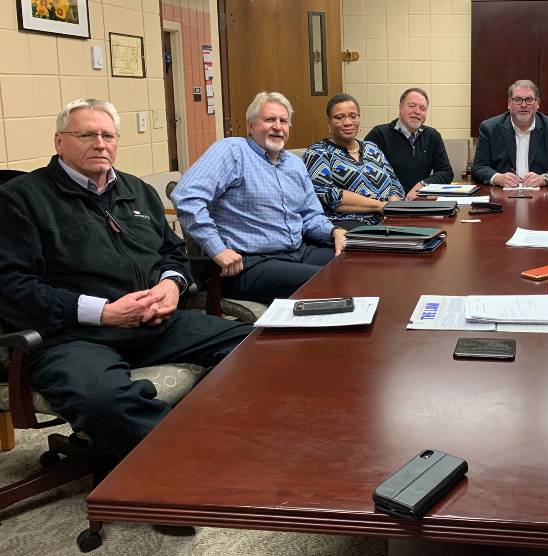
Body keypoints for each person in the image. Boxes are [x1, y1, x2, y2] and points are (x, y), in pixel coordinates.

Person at [0, 99, 252, 459]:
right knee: (104, 399)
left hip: (157, 324)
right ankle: (182, 469)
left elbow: (174, 253)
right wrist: (104, 313)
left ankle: (205, 440)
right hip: (73, 337)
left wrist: (171, 285)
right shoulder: (20, 200)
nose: (99, 143)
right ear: (59, 141)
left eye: (107, 135)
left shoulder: (137, 191)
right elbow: (13, 289)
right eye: (85, 134)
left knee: (257, 347)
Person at [172, 92, 345, 303]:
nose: (278, 126)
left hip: (297, 252)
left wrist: (333, 232)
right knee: (329, 280)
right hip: (248, 264)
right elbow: (186, 196)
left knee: (360, 264)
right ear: (250, 125)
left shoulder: (294, 164)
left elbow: (310, 215)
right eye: (270, 119)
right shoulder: (232, 151)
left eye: (283, 121)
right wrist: (217, 249)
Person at [304, 93, 405, 228]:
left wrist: (392, 210)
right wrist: (381, 206)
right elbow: (326, 195)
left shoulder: (372, 148)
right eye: (339, 117)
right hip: (348, 224)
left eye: (353, 116)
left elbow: (396, 186)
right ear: (329, 123)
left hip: (388, 219)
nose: (348, 122)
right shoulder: (318, 151)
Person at [471, 79, 548, 187]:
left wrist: (544, 178)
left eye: (529, 99)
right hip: (502, 196)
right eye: (518, 99)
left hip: (542, 196)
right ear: (509, 103)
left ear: (537, 103)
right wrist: (498, 178)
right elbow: (479, 168)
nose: (524, 105)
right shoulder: (490, 128)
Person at [364, 87, 454, 199]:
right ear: (400, 107)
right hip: (386, 205)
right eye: (412, 106)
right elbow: (364, 172)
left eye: (422, 108)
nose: (417, 112)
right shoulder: (379, 134)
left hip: (420, 202)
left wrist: (423, 184)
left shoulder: (432, 135)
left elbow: (446, 172)